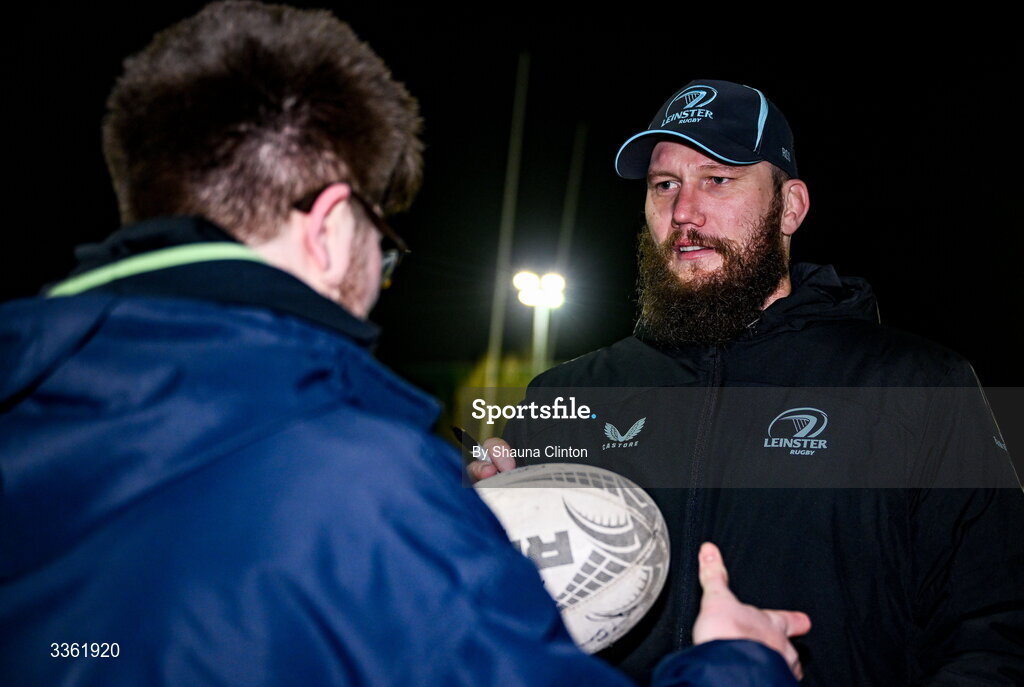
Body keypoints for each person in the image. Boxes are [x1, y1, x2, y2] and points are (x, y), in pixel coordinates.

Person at [0, 7, 809, 685]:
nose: (377, 276)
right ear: (327, 229)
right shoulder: (363, 488)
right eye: (379, 244)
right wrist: (738, 662)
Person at [468, 79, 1024, 685]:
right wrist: (483, 523)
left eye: (718, 179)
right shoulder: (567, 396)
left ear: (791, 208)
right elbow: (498, 626)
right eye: (664, 186)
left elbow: (997, 630)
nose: (684, 212)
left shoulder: (918, 386)